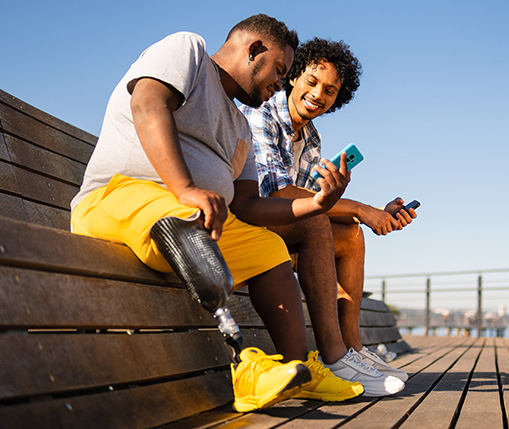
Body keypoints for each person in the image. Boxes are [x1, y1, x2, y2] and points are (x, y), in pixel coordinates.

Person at [67, 14, 397, 412]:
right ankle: (245, 364)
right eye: (279, 70)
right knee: (184, 219)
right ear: (254, 49)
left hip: (198, 224)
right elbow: (148, 102)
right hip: (120, 197)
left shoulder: (240, 125)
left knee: (268, 250)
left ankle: (298, 372)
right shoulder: (188, 51)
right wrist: (186, 188)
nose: (280, 83)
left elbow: (249, 205)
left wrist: (319, 205)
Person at [239, 37, 415, 387]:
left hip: (281, 228)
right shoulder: (263, 113)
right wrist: (362, 208)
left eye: (331, 90)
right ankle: (334, 359)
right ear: (292, 77)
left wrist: (376, 213)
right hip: (245, 219)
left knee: (351, 235)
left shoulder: (311, 138)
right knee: (319, 223)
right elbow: (280, 195)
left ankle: (353, 350)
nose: (319, 94)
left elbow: (313, 199)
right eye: (312, 81)